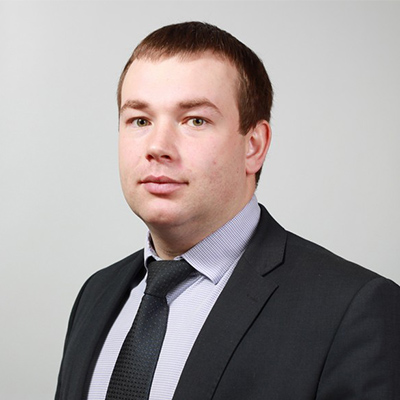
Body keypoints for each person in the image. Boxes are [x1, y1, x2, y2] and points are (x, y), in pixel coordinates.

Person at [55, 22, 400, 400]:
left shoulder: (352, 311)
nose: (157, 147)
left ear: (254, 145)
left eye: (195, 120)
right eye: (140, 120)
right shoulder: (96, 294)